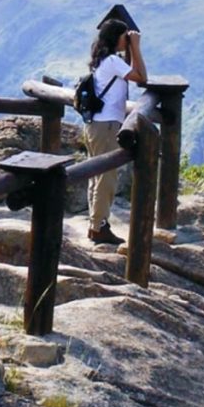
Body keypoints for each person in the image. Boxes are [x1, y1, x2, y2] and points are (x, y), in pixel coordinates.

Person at [85, 18, 147, 244]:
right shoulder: (112, 61)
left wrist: (130, 48)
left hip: (96, 125)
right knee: (106, 177)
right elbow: (142, 77)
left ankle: (96, 224)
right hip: (107, 125)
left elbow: (132, 73)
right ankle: (99, 226)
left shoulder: (103, 60)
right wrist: (136, 47)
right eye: (124, 38)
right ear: (116, 38)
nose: (127, 41)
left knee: (96, 175)